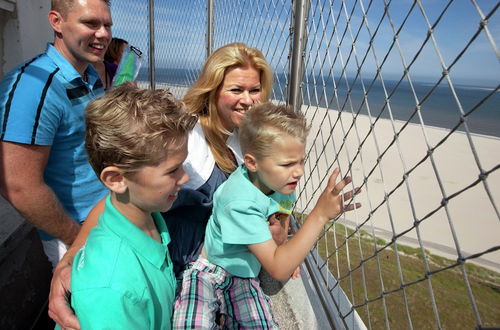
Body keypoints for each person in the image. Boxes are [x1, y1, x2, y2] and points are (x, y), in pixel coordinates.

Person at [48, 42, 289, 328]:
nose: (248, 100)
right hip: (184, 269)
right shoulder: (190, 142)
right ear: (212, 90)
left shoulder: (247, 138)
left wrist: (282, 226)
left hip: (227, 263)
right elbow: (117, 199)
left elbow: (281, 189)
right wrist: (70, 259)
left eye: (255, 90)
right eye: (236, 90)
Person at [173, 102, 362, 328]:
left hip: (244, 276)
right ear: (252, 162)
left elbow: (281, 230)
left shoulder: (280, 185)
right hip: (209, 270)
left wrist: (286, 247)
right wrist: (319, 215)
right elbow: (277, 267)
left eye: (302, 160)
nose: (299, 171)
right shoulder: (239, 199)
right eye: (288, 163)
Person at [68, 84, 197, 328]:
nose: (185, 178)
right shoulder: (111, 286)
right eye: (172, 170)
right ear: (116, 179)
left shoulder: (147, 217)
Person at [0, 0, 112, 268]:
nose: (104, 34)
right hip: (76, 232)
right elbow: (18, 186)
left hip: (103, 218)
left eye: (107, 25)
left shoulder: (89, 76)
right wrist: (78, 239)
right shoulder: (34, 86)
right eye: (91, 23)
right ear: (56, 21)